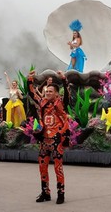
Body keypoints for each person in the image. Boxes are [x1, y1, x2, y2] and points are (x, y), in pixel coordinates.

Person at [27, 70, 70, 204]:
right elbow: (31, 93)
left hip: (57, 140)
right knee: (42, 167)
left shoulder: (61, 103)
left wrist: (63, 79)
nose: (48, 93)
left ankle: (61, 194)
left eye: (51, 91)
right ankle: (45, 193)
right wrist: (30, 79)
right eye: (47, 91)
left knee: (58, 168)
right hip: (44, 140)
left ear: (56, 93)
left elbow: (68, 92)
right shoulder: (42, 102)